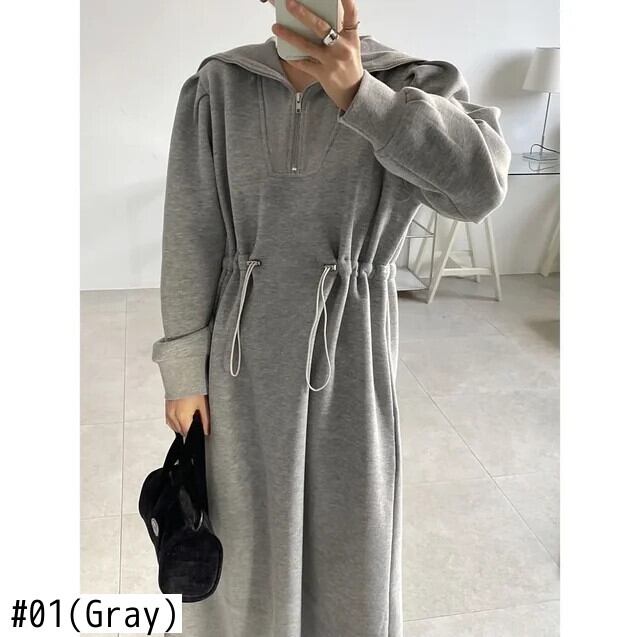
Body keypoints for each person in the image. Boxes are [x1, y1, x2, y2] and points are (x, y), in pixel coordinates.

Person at [152, 0, 511, 635]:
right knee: (243, 530)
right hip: (241, 356)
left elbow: (479, 192)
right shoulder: (219, 85)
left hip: (350, 351)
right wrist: (183, 367)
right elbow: (191, 230)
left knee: (351, 533)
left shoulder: (413, 82)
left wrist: (362, 97)